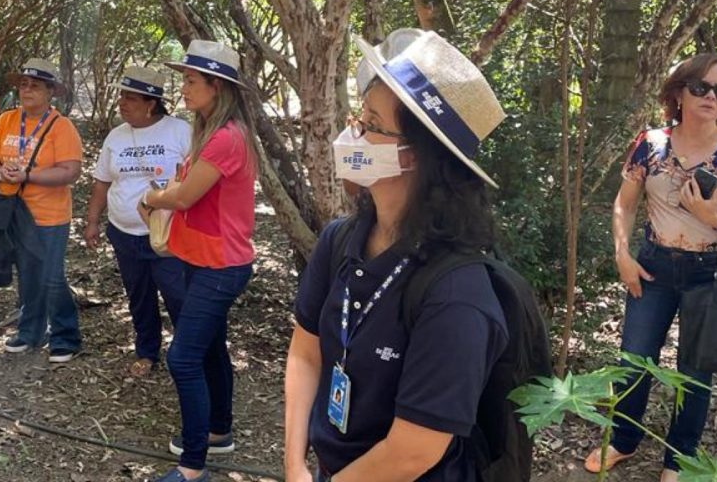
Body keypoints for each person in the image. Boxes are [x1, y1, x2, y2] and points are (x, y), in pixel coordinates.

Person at [283, 29, 511, 482]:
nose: (353, 134)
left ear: (414, 156)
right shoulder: (340, 239)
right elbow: (306, 353)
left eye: (370, 124)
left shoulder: (457, 296)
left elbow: (413, 452)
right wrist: (294, 463)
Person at [586, 53, 717, 481]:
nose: (711, 97)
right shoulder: (650, 144)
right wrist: (622, 254)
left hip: (711, 272)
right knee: (634, 358)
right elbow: (624, 204)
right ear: (679, 92)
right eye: (701, 87)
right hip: (653, 267)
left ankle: (678, 458)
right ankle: (624, 439)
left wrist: (713, 219)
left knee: (695, 371)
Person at [140, 41, 256, 482]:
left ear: (217, 86)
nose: (184, 87)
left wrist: (152, 197)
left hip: (220, 265)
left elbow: (186, 196)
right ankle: (218, 430)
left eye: (191, 80)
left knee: (183, 358)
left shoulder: (226, 138)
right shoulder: (211, 132)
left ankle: (192, 466)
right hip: (201, 258)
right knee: (208, 347)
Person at [85, 66, 190, 376]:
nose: (122, 103)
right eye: (121, 96)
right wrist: (92, 220)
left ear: (151, 103)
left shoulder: (179, 131)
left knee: (177, 295)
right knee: (139, 296)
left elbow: (195, 178)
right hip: (124, 233)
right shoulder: (116, 136)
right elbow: (102, 182)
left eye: (130, 98)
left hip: (167, 235)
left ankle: (186, 354)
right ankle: (147, 351)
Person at [0, 58, 83, 362]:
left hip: (49, 216)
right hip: (14, 212)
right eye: (23, 84)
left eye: (35, 85)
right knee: (28, 274)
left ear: (50, 91)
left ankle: (66, 336)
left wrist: (29, 175)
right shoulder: (6, 121)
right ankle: (30, 331)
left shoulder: (61, 127)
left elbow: (70, 171)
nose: (27, 90)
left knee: (51, 276)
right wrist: (0, 172)